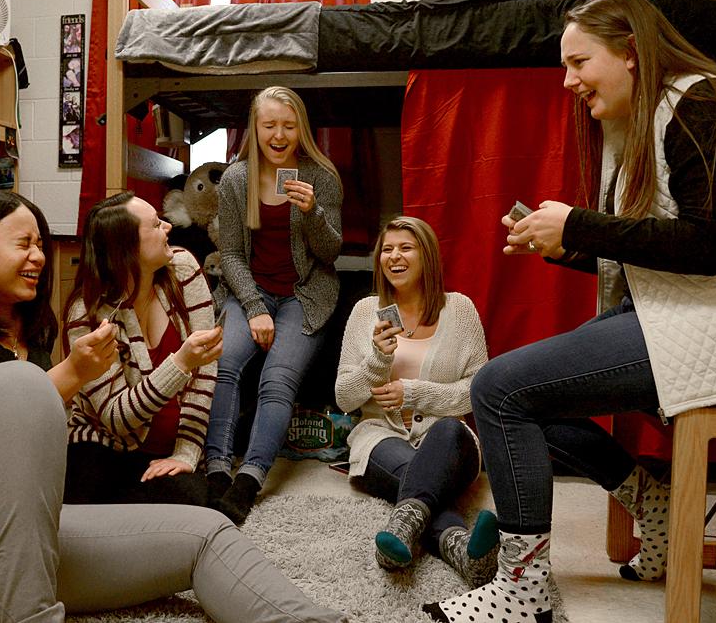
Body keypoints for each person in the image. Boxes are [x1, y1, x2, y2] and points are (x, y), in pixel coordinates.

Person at [424, 0, 716, 623]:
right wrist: (561, 244)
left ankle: (523, 594)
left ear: (630, 52)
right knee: (527, 401)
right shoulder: (654, 117)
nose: (569, 81)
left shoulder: (705, 104)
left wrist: (579, 227)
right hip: (695, 314)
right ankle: (651, 506)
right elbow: (655, 250)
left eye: (578, 62)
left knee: (497, 388)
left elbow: (707, 248)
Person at [0, 190, 348, 623]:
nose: (40, 257)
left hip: (15, 551)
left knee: (206, 532)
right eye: (24, 243)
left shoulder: (36, 333)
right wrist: (73, 375)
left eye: (41, 244)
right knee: (16, 385)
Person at [205, 85, 343, 524]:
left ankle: (250, 477)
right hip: (252, 291)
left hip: (306, 293)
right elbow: (228, 255)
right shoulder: (236, 179)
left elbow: (330, 254)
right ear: (256, 128)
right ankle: (215, 470)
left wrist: (313, 212)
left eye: (288, 125)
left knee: (277, 378)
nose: (279, 135)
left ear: (300, 128)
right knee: (223, 363)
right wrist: (253, 306)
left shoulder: (321, 177)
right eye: (270, 126)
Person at [335, 216, 498, 588]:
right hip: (380, 435)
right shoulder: (364, 312)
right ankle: (460, 548)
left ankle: (401, 529)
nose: (394, 256)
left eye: (405, 248)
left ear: (427, 256)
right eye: (387, 249)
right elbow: (345, 397)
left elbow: (478, 389)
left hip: (450, 438)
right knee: (416, 473)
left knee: (445, 430)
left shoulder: (459, 309)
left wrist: (415, 393)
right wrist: (377, 361)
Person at [63, 192, 218, 506]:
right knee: (84, 508)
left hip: (170, 445)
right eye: (155, 225)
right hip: (103, 444)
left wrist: (186, 453)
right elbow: (117, 418)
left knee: (196, 506)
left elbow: (205, 375)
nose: (168, 227)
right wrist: (181, 361)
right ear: (127, 249)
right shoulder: (88, 314)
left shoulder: (184, 269)